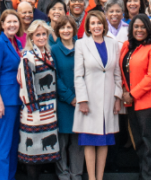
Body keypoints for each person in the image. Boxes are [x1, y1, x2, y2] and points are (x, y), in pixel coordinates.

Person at [74, 10, 122, 180]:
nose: (96, 26)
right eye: (93, 23)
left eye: (99, 23)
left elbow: (117, 73)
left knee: (104, 139)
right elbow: (78, 75)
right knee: (89, 139)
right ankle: (92, 178)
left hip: (108, 99)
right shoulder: (81, 44)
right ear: (88, 26)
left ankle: (99, 178)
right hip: (90, 99)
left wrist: (118, 98)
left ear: (104, 25)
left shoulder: (113, 44)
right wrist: (82, 100)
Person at [119, 14, 151, 180]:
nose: (139, 30)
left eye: (142, 26)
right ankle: (143, 174)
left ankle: (148, 177)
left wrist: (132, 94)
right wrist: (125, 90)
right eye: (136, 27)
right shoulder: (126, 46)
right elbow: (123, 71)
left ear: (148, 28)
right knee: (138, 140)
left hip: (149, 102)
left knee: (149, 143)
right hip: (131, 102)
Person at [17, 20, 61, 179]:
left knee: (43, 153)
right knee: (32, 152)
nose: (42, 37)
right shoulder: (28, 56)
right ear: (31, 37)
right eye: (38, 34)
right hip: (35, 111)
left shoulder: (49, 53)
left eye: (44, 34)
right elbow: (26, 84)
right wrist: (33, 108)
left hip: (50, 109)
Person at [0, 9, 25, 180]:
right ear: (2, 24)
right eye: (8, 22)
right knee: (4, 144)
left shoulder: (17, 43)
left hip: (18, 99)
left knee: (13, 144)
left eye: (15, 21)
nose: (12, 25)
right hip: (4, 100)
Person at [50, 17, 84, 180]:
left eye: (69, 27)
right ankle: (63, 173)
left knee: (78, 140)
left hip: (81, 100)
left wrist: (81, 97)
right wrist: (70, 97)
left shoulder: (82, 47)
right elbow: (54, 76)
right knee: (62, 140)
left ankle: (76, 173)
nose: (66, 30)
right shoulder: (54, 50)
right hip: (63, 102)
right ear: (58, 30)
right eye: (62, 28)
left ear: (74, 29)